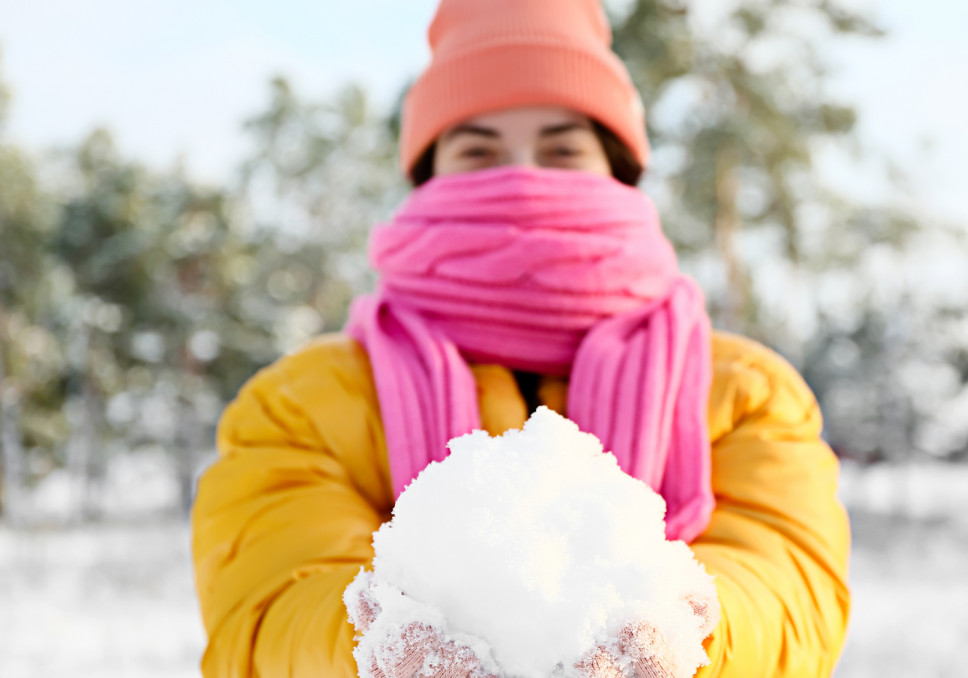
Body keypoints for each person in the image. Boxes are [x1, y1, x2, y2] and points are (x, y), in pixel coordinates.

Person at [190, 1, 851, 677]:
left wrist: (703, 631)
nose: (523, 177)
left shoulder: (741, 392)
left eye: (562, 150)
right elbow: (267, 606)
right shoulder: (301, 402)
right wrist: (365, 646)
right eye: (478, 151)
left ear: (620, 173)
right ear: (427, 178)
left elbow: (790, 588)